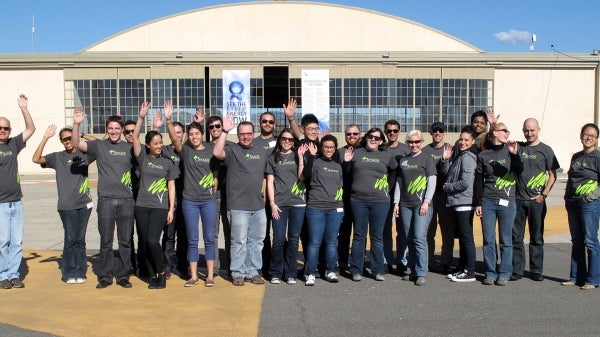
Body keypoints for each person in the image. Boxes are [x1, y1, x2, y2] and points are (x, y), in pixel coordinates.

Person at [72, 109, 135, 289]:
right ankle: (105, 276)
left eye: (117, 128)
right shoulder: (99, 146)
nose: (114, 131)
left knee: (125, 241)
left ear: (122, 130)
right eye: (111, 128)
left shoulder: (129, 148)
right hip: (106, 199)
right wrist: (76, 123)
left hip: (126, 200)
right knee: (106, 241)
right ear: (107, 129)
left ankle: (123, 275)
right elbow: (76, 143)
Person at [32, 123, 95, 284]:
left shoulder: (85, 154)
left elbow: (100, 145)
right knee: (70, 239)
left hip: (84, 204)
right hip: (67, 206)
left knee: (80, 240)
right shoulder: (57, 157)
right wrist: (45, 138)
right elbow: (36, 159)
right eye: (64, 139)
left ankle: (80, 271)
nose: (67, 141)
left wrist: (80, 136)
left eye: (69, 138)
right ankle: (68, 272)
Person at [165, 101, 219, 287]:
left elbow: (217, 171)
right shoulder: (186, 152)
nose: (194, 136)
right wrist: (169, 120)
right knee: (192, 239)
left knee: (210, 238)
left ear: (202, 135)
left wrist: (216, 182)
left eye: (197, 133)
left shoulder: (212, 150)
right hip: (190, 201)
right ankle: (194, 275)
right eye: (191, 134)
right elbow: (174, 139)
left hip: (209, 201)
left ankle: (210, 275)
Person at [213, 116, 268, 286]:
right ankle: (237, 272)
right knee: (239, 241)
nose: (246, 136)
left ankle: (253, 271)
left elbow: (266, 177)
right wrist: (224, 131)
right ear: (237, 135)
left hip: (258, 206)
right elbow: (216, 152)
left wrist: (265, 197)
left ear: (254, 133)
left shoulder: (261, 152)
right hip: (238, 206)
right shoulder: (232, 150)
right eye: (242, 134)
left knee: (257, 241)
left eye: (249, 133)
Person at [131, 102, 178, 289]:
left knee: (153, 240)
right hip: (142, 206)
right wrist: (141, 117)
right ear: (148, 145)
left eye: (161, 143)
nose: (159, 146)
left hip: (159, 207)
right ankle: (152, 273)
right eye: (156, 143)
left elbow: (171, 187)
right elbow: (134, 137)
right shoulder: (143, 157)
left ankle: (161, 273)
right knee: (144, 241)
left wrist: (171, 209)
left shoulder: (168, 163)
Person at [345, 128, 397, 282]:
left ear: (381, 141)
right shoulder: (357, 152)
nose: (373, 140)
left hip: (380, 201)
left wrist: (388, 187)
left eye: (377, 138)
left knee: (377, 237)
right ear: (366, 137)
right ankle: (356, 270)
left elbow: (395, 171)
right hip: (358, 200)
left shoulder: (387, 155)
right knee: (359, 236)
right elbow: (347, 175)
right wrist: (347, 163)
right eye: (370, 136)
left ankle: (378, 270)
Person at [474, 122, 522, 286]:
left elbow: (519, 170)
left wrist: (515, 155)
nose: (507, 133)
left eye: (508, 131)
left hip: (507, 201)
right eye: (504, 131)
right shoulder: (483, 155)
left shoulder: (511, 151)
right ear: (494, 133)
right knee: (488, 239)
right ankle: (490, 272)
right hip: (488, 200)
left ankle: (504, 272)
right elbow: (479, 180)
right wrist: (478, 202)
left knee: (506, 239)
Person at [512, 118, 559, 282]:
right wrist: (492, 123)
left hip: (536, 202)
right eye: (526, 130)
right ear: (523, 130)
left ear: (538, 129)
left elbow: (553, 175)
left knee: (536, 237)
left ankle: (536, 270)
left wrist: (543, 195)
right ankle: (517, 270)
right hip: (518, 200)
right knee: (516, 237)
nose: (529, 133)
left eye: (532, 130)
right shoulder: (518, 147)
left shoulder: (546, 150)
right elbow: (496, 140)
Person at [0, 94, 36, 290]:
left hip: (16, 202)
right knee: (2, 241)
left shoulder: (13, 144)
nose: (3, 131)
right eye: (0, 128)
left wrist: (24, 108)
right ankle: (2, 274)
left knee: (16, 241)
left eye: (6, 128)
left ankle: (14, 274)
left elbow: (31, 129)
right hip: (0, 204)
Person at [393, 130, 436, 286]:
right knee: (408, 237)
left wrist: (426, 201)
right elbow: (399, 183)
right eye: (411, 142)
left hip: (421, 205)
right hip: (405, 204)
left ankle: (421, 271)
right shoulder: (403, 160)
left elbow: (432, 181)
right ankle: (412, 270)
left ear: (421, 142)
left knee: (419, 238)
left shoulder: (427, 159)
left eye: (417, 142)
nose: (414, 144)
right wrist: (396, 203)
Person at [299, 135, 344, 286]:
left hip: (334, 209)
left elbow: (341, 186)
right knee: (314, 242)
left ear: (335, 148)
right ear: (321, 148)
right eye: (326, 147)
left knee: (331, 242)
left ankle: (330, 271)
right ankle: (311, 273)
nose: (329, 149)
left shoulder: (338, 166)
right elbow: (304, 176)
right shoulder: (315, 162)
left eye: (331, 147)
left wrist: (340, 207)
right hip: (316, 207)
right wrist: (311, 156)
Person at [563, 123, 600, 289]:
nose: (588, 137)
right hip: (573, 202)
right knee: (577, 240)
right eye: (586, 134)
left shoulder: (598, 157)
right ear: (581, 136)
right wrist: (567, 197)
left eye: (592, 135)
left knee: (590, 241)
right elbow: (571, 178)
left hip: (589, 204)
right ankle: (576, 276)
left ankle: (593, 279)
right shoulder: (576, 157)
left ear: (597, 139)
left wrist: (590, 197)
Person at [266, 129, 305, 285]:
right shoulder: (273, 157)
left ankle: (290, 272)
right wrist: (272, 203)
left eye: (290, 140)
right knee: (279, 239)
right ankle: (276, 271)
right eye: (284, 139)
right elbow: (269, 182)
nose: (287, 142)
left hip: (298, 203)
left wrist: (301, 157)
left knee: (294, 240)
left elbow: (302, 177)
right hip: (280, 204)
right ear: (280, 139)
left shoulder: (298, 156)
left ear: (294, 142)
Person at [440, 126, 478, 282]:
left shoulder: (468, 157)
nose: (463, 142)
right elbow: (448, 174)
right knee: (462, 237)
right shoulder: (459, 156)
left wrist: (448, 187)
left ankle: (470, 270)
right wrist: (445, 159)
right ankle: (463, 267)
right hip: (457, 201)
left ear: (472, 141)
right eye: (461, 139)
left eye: (466, 140)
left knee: (466, 237)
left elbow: (465, 182)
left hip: (464, 201)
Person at [423, 121, 454, 274]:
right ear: (431, 133)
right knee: (429, 231)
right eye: (435, 131)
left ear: (444, 133)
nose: (437, 134)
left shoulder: (451, 149)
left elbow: (452, 172)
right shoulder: (425, 151)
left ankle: (446, 261)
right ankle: (429, 261)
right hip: (429, 195)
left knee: (447, 231)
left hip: (445, 194)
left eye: (440, 131)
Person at [382, 119, 410, 275]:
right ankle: (386, 260)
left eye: (395, 130)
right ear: (385, 132)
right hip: (384, 194)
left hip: (403, 195)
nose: (392, 133)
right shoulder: (381, 148)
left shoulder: (406, 149)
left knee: (403, 229)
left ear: (399, 131)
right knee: (385, 229)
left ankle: (401, 260)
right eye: (389, 131)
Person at [337, 124, 361, 273]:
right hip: (344, 199)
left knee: (360, 233)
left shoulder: (365, 152)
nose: (352, 136)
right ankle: (342, 263)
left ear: (360, 134)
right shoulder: (339, 152)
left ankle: (358, 264)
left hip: (360, 199)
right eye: (349, 134)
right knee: (343, 233)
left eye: (355, 134)